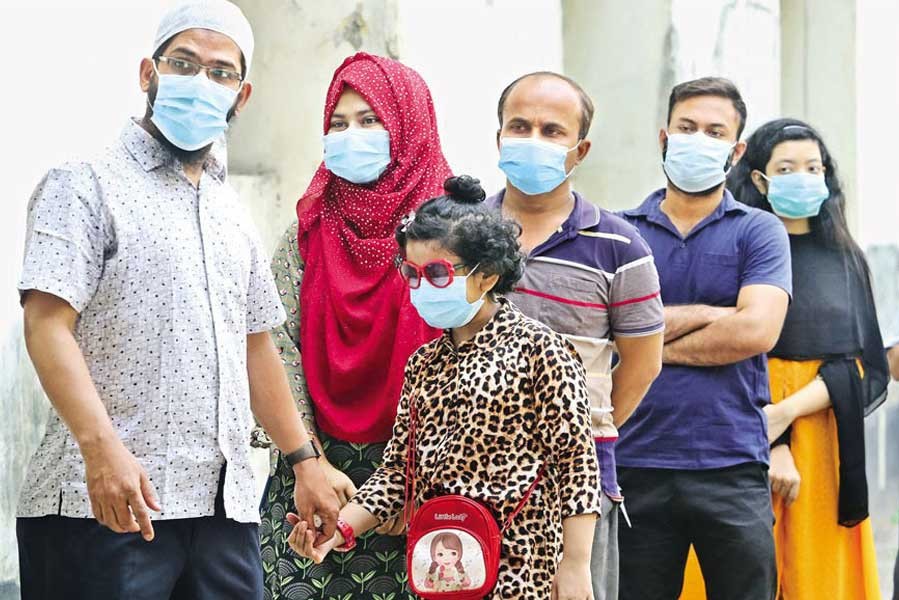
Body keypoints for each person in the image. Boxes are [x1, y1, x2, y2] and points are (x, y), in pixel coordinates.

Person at [14, 2, 341, 599]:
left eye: (220, 73)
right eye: (184, 63)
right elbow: (46, 324)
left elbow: (257, 345)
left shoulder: (229, 212)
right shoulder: (83, 182)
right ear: (148, 73)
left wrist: (303, 460)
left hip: (222, 508)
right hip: (106, 505)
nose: (200, 83)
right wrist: (101, 450)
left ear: (241, 97)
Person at [287, 175, 602, 599]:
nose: (421, 287)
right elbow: (398, 473)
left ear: (487, 275)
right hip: (441, 574)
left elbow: (576, 464)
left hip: (522, 574)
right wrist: (339, 528)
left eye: (437, 273)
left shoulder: (540, 350)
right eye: (411, 273)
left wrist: (576, 565)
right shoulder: (423, 365)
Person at [257, 52, 453, 599]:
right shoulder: (307, 231)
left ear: (410, 127)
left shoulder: (453, 239)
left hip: (430, 483)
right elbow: (275, 348)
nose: (351, 136)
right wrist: (308, 464)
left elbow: (475, 354)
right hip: (313, 479)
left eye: (371, 121)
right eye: (338, 124)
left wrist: (417, 475)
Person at [683, 118, 890, 598]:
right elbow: (724, 344)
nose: (803, 175)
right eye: (787, 166)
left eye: (813, 167)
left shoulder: (846, 258)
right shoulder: (737, 249)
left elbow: (861, 365)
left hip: (822, 439)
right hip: (733, 432)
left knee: (817, 577)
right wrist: (769, 440)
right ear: (760, 178)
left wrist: (784, 417)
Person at [486, 71, 664, 600]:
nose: (533, 140)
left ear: (580, 149)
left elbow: (642, 363)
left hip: (576, 493)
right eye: (519, 126)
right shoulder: (459, 235)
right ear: (498, 137)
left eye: (551, 130)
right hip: (468, 479)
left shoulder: (620, 246)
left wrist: (583, 434)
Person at [616, 77, 792, 600]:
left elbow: (757, 330)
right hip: (633, 462)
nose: (698, 139)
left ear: (736, 150)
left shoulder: (759, 230)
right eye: (687, 127)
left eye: (715, 131)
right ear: (664, 137)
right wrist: (718, 316)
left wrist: (645, 341)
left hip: (732, 462)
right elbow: (604, 338)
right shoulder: (621, 233)